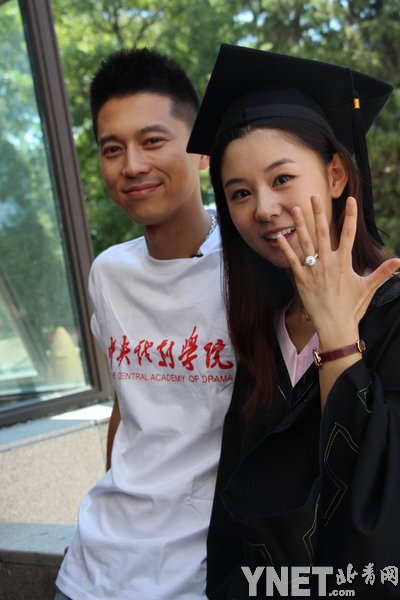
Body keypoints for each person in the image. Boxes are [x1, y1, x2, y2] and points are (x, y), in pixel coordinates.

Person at [187, 44, 400, 598]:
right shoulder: (265, 328)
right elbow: (233, 521)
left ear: (336, 174)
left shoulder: (394, 311)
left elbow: (377, 510)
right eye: (239, 193)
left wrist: (338, 335)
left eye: (281, 178)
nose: (262, 208)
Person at [54, 47, 236, 600]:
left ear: (201, 151)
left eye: (152, 140)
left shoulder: (251, 267)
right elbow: (128, 403)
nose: (131, 165)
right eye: (113, 149)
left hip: (199, 575)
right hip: (91, 571)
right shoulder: (109, 273)